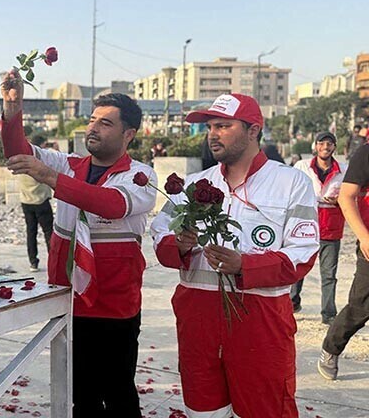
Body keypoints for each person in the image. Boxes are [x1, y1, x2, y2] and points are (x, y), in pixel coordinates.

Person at [150, 93, 319, 417]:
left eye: (223, 125)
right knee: (203, 410)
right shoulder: (196, 184)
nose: (212, 133)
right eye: (210, 126)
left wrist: (246, 264)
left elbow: (303, 251)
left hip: (259, 319)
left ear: (254, 130)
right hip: (197, 319)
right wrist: (180, 245)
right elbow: (160, 234)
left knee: (265, 409)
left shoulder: (290, 182)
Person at [0, 70, 156, 417]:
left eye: (105, 123)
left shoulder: (141, 176)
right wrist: (13, 110)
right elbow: (18, 153)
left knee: (118, 395)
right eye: (92, 120)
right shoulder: (70, 164)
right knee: (81, 396)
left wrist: (50, 177)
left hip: (115, 304)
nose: (93, 128)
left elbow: (111, 204)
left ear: (129, 134)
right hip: (71, 297)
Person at [318, 141, 369, 380]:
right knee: (361, 306)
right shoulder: (366, 153)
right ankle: (331, 347)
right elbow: (346, 197)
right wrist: (364, 237)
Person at [291, 131, 346, 323]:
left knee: (329, 274)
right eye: (321, 143)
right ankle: (292, 302)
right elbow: (291, 190)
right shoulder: (302, 166)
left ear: (334, 147)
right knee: (298, 268)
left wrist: (340, 199)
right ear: (315, 146)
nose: (325, 147)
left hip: (331, 226)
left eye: (329, 144)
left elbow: (350, 195)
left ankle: (329, 313)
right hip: (305, 226)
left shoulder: (343, 170)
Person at [18, 135, 54, 272]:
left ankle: (33, 262)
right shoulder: (38, 163)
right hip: (41, 201)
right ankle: (53, 260)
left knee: (31, 232)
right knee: (49, 232)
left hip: (26, 201)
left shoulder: (22, 161)